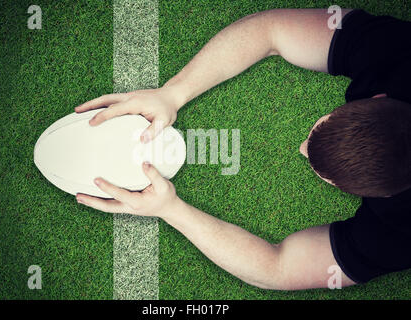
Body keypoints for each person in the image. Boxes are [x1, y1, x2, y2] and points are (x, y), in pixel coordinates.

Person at [74, 8, 411, 290]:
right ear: (379, 97)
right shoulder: (398, 53)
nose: (301, 148)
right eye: (318, 131)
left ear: (385, 198)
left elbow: (276, 269)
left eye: (326, 175)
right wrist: (172, 94)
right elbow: (270, 31)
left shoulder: (398, 234)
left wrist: (172, 209)